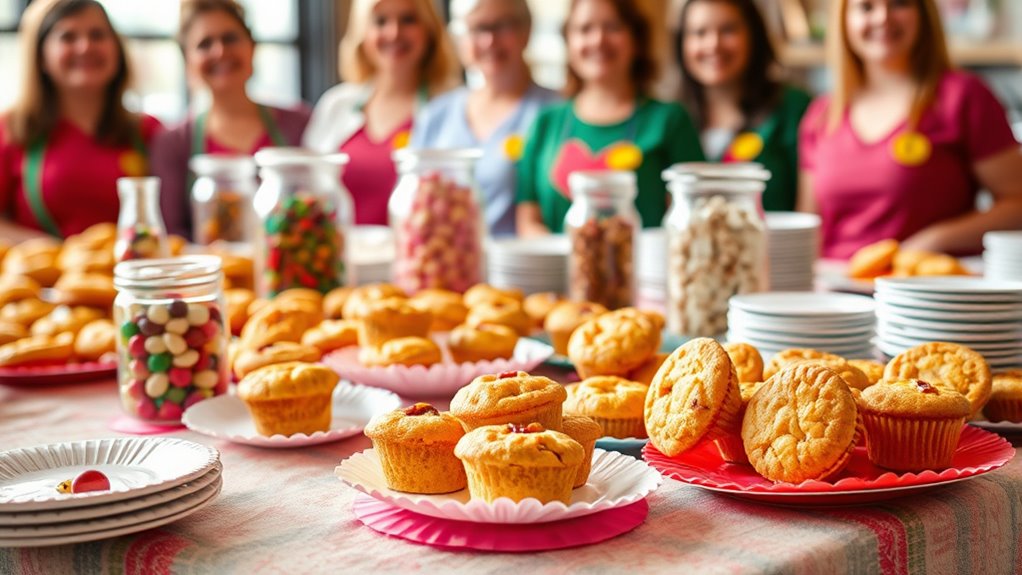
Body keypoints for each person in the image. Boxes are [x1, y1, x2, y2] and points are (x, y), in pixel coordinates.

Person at [799, 0, 1022, 259]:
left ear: (924, 15)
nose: (883, 18)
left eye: (899, 3)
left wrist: (937, 239)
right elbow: (808, 227)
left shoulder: (964, 97)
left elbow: (1017, 205)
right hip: (834, 289)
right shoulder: (821, 115)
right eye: (866, 7)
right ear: (844, 21)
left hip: (924, 290)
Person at [515, 0, 704, 236]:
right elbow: (528, 219)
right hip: (557, 271)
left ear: (636, 39)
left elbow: (693, 215)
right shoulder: (546, 123)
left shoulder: (669, 121)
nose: (598, 40)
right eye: (584, 29)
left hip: (646, 270)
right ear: (568, 42)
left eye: (612, 27)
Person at [0, 0, 162, 241]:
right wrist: (55, 252)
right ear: (41, 56)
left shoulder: (149, 131)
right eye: (68, 37)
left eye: (97, 35)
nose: (85, 47)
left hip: (136, 276)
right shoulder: (12, 129)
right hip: (47, 277)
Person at [150, 0, 311, 239]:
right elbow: (172, 236)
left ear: (252, 47)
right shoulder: (173, 143)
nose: (220, 51)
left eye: (230, 38)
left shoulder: (300, 123)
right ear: (187, 62)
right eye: (205, 44)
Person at [303, 0, 460, 226]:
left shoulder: (452, 106)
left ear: (430, 30)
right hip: (339, 255)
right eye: (380, 21)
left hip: (421, 255)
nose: (394, 33)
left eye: (408, 20)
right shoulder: (337, 104)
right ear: (362, 33)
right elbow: (307, 190)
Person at [410, 0, 559, 237]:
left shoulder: (554, 113)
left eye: (502, 26)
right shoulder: (436, 115)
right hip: (445, 263)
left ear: (526, 30)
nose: (490, 41)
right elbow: (414, 204)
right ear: (460, 38)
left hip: (520, 268)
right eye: (478, 29)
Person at [676, 0, 810, 211]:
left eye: (728, 30)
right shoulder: (671, 117)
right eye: (699, 33)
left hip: (777, 243)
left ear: (754, 35)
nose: (713, 44)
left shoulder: (793, 108)